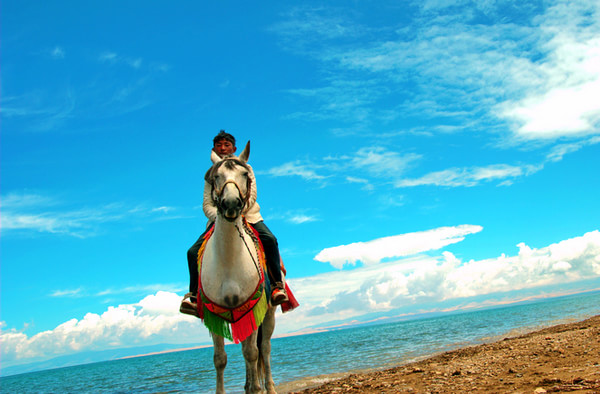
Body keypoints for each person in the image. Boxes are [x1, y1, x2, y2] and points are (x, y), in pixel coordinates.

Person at [180, 130, 288, 316]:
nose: (223, 148)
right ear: (214, 149)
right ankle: (194, 298)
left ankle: (277, 287)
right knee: (192, 252)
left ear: (234, 148)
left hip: (249, 216)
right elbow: (207, 203)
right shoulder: (211, 173)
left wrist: (240, 211)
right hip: (219, 220)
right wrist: (220, 217)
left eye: (227, 145)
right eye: (219, 145)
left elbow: (252, 194)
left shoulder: (246, 167)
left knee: (270, 240)